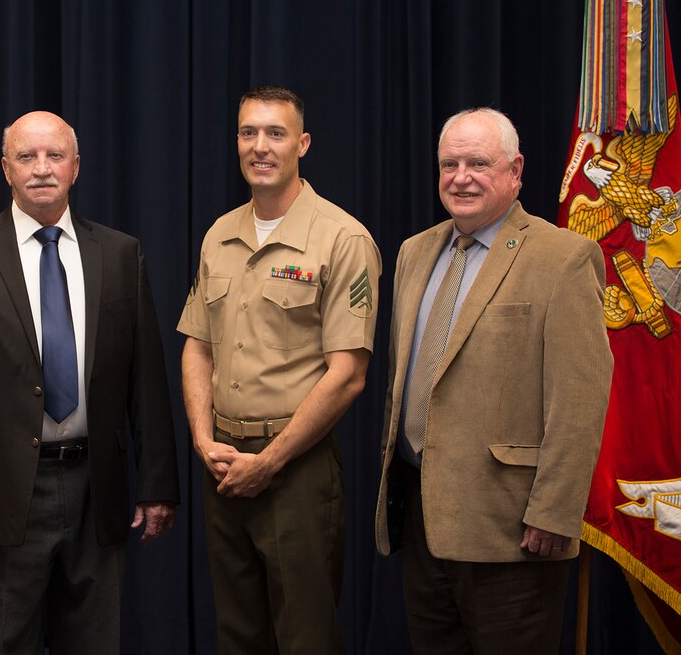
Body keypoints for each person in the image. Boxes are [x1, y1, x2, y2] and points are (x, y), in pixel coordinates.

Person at [0, 110, 180, 655]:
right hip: (0, 492)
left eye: (55, 156)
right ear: (4, 168)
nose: (41, 169)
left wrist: (157, 484)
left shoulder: (121, 254)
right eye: (26, 157)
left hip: (95, 488)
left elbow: (145, 380)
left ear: (76, 167)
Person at [375, 108, 613, 653]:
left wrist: (554, 511)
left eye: (478, 163)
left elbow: (580, 399)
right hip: (422, 523)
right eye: (449, 164)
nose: (461, 177)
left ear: (515, 170)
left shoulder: (564, 259)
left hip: (515, 533)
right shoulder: (415, 252)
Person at [178, 85, 381, 654]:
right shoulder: (219, 234)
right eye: (248, 133)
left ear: (302, 143)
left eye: (275, 133)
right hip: (224, 466)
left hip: (295, 471)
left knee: (305, 639)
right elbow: (198, 346)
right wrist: (201, 439)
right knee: (238, 635)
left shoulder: (342, 238)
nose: (259, 146)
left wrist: (268, 462)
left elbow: (348, 375)